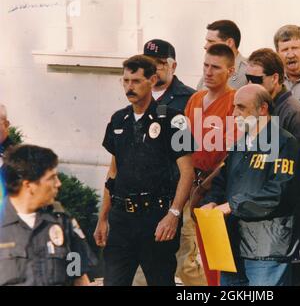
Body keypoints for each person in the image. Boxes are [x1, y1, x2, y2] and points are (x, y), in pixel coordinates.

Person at [93, 55, 194, 286]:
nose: (130, 87)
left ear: (152, 80)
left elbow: (187, 172)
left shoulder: (173, 119)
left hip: (156, 218)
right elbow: (113, 173)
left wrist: (174, 214)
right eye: (126, 81)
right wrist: (103, 217)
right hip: (122, 221)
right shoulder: (119, 120)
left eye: (136, 81)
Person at [200, 84, 300, 286]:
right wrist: (210, 202)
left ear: (262, 109)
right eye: (234, 107)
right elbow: (222, 180)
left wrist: (231, 206)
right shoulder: (240, 144)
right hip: (232, 245)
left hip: (267, 249)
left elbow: (278, 192)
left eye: (241, 107)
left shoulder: (284, 142)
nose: (234, 113)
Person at [246, 48, 300, 285]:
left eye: (256, 80)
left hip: (289, 224)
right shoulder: (264, 110)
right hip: (266, 225)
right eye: (248, 79)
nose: (251, 84)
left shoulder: (293, 114)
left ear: (275, 79)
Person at [176, 44, 237, 286]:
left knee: (216, 259)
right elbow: (183, 147)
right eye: (205, 65)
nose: (208, 72)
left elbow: (232, 156)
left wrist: (205, 188)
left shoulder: (235, 101)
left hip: (216, 190)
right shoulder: (195, 99)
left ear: (230, 71)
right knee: (186, 257)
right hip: (190, 184)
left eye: (215, 67)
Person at [0, 144, 96, 286]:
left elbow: (78, 277)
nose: (58, 183)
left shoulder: (62, 222)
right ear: (29, 185)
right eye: (52, 178)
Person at [143, 39, 195, 113]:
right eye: (147, 63)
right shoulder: (138, 94)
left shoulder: (190, 98)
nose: (152, 69)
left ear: (173, 67)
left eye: (158, 63)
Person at [197, 20, 248, 91]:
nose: (205, 46)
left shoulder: (248, 72)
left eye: (211, 41)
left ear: (229, 42)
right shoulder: (209, 69)